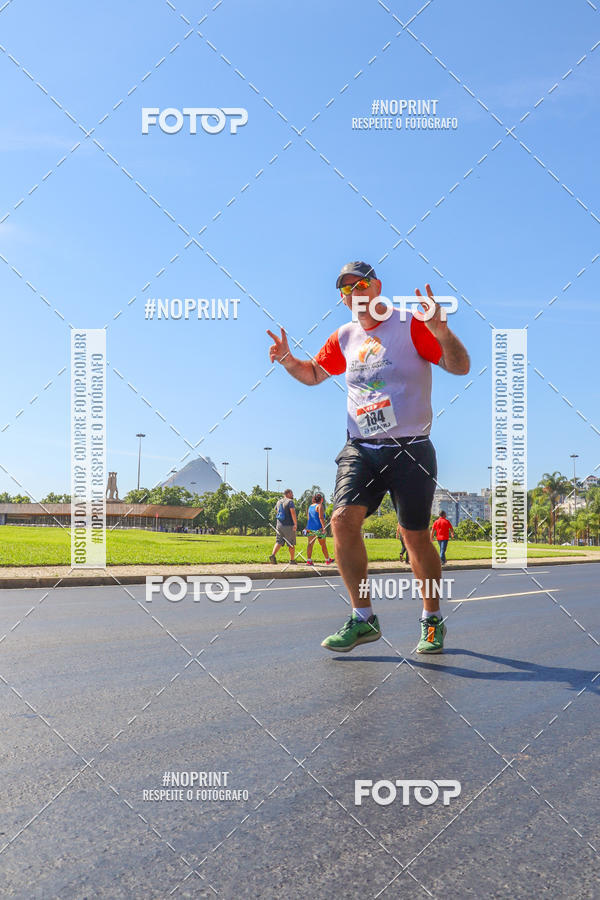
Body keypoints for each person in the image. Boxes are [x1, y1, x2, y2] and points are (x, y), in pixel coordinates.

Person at [267, 261, 470, 654]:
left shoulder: (411, 325)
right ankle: (363, 619)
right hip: (361, 447)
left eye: (359, 284)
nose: (353, 293)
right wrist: (289, 360)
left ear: (376, 286)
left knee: (415, 538)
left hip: (411, 447)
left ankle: (431, 619)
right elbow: (313, 374)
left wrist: (442, 332)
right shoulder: (346, 336)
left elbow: (459, 366)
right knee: (341, 522)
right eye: (345, 290)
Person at [305, 492, 334, 566]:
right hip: (318, 529)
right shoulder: (320, 506)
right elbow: (321, 518)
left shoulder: (310, 506)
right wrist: (324, 528)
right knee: (323, 544)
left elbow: (308, 518)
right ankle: (327, 560)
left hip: (310, 528)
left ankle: (309, 560)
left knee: (310, 544)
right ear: (321, 499)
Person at [269, 488, 297, 564]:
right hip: (288, 526)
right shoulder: (290, 502)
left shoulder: (278, 502)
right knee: (291, 543)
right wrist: (295, 524)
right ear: (288, 494)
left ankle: (273, 555)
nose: (293, 495)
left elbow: (277, 511)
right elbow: (293, 513)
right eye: (292, 493)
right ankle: (292, 560)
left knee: (279, 542)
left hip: (279, 525)